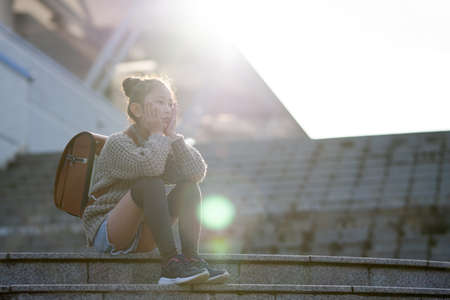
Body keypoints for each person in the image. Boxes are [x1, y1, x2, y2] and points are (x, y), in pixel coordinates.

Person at [81, 75, 229, 285]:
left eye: (170, 103)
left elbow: (197, 172)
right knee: (150, 184)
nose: (168, 109)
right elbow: (150, 167)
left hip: (145, 233)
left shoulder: (165, 141)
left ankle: (191, 259)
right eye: (160, 102)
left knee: (189, 186)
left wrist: (174, 137)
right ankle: (170, 265)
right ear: (137, 110)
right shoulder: (118, 143)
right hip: (110, 232)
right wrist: (159, 133)